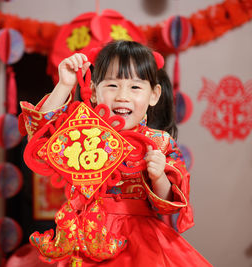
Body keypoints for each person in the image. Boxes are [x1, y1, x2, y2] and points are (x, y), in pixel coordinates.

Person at [19, 40, 211, 266]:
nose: (122, 95)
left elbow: (169, 204)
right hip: (85, 238)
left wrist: (158, 176)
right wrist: (64, 84)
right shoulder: (82, 135)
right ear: (92, 93)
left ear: (154, 95)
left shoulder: (160, 143)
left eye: (135, 87)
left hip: (141, 243)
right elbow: (40, 139)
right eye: (112, 85)